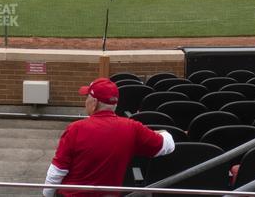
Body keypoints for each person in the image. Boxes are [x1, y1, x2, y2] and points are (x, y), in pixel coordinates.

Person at [43, 78, 174, 197]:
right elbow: (168, 145)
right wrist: (162, 132)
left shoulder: (75, 128)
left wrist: (46, 194)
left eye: (87, 97)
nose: (85, 101)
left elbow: (57, 171)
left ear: (94, 102)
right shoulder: (132, 128)